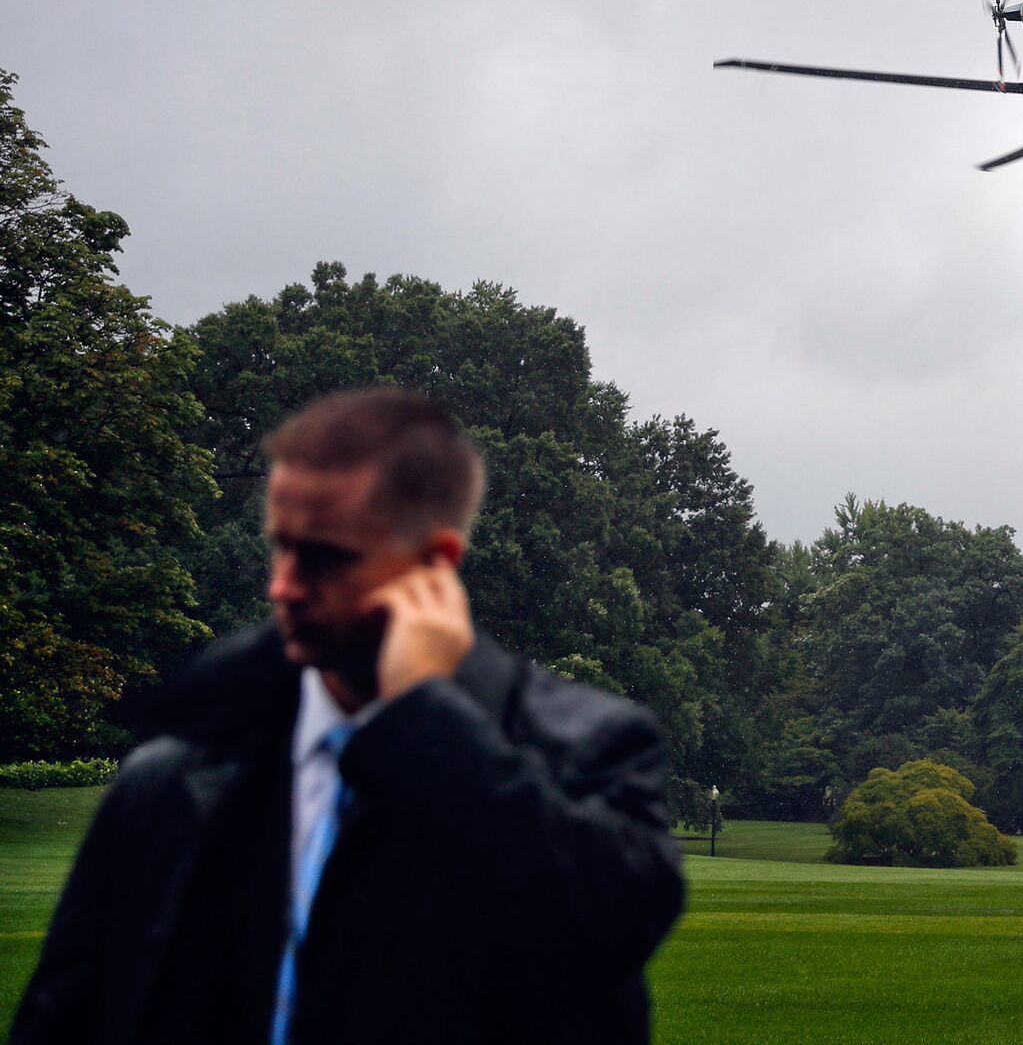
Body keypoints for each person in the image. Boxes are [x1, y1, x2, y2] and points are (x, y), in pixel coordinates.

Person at [12, 388, 685, 1044]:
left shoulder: (592, 747)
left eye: (326, 556)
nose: (283, 587)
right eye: (281, 546)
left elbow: (606, 929)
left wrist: (424, 717)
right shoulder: (172, 776)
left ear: (436, 563)